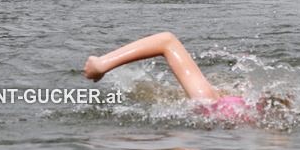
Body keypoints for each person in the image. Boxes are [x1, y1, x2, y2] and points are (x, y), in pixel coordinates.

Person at [84, 32, 248, 119]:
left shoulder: (214, 107)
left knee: (169, 43)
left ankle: (101, 64)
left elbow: (166, 41)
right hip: (206, 142)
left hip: (212, 115)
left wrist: (101, 65)